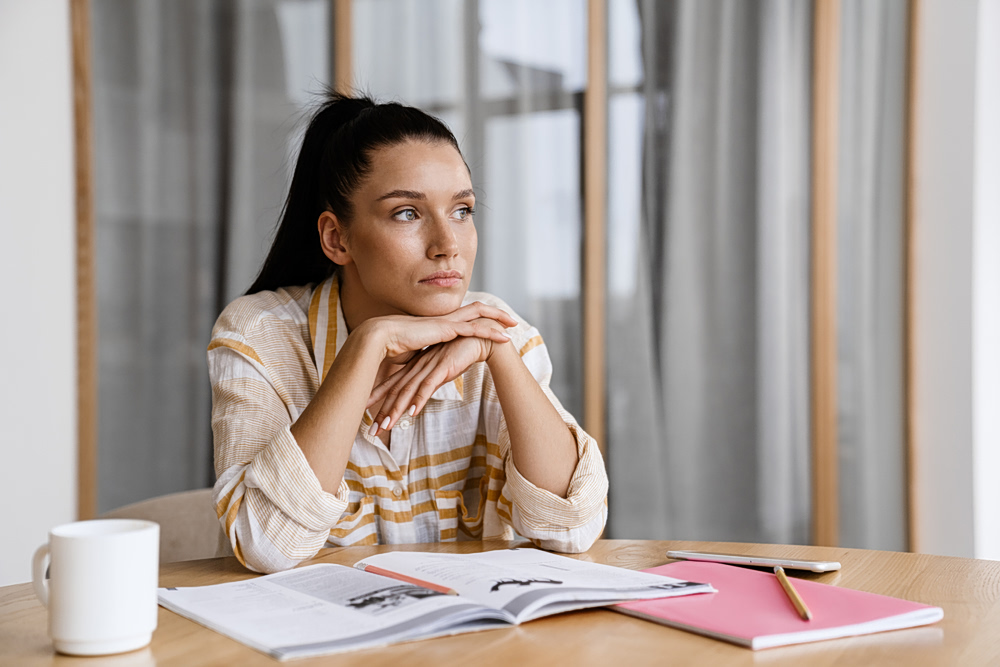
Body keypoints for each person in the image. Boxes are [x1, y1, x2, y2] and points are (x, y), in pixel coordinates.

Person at [209, 92, 608, 573]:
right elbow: (265, 547)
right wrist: (367, 345)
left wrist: (496, 353)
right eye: (407, 213)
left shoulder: (494, 329)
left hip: (466, 637)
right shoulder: (261, 334)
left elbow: (574, 528)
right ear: (337, 238)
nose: (447, 246)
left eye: (462, 210)